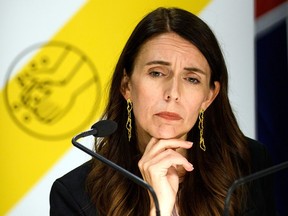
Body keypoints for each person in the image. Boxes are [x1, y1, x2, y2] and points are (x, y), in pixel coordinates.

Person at [50, 7, 276, 216]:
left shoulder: (249, 166)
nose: (173, 93)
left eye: (191, 79)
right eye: (157, 73)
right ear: (126, 85)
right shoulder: (75, 195)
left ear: (209, 96)